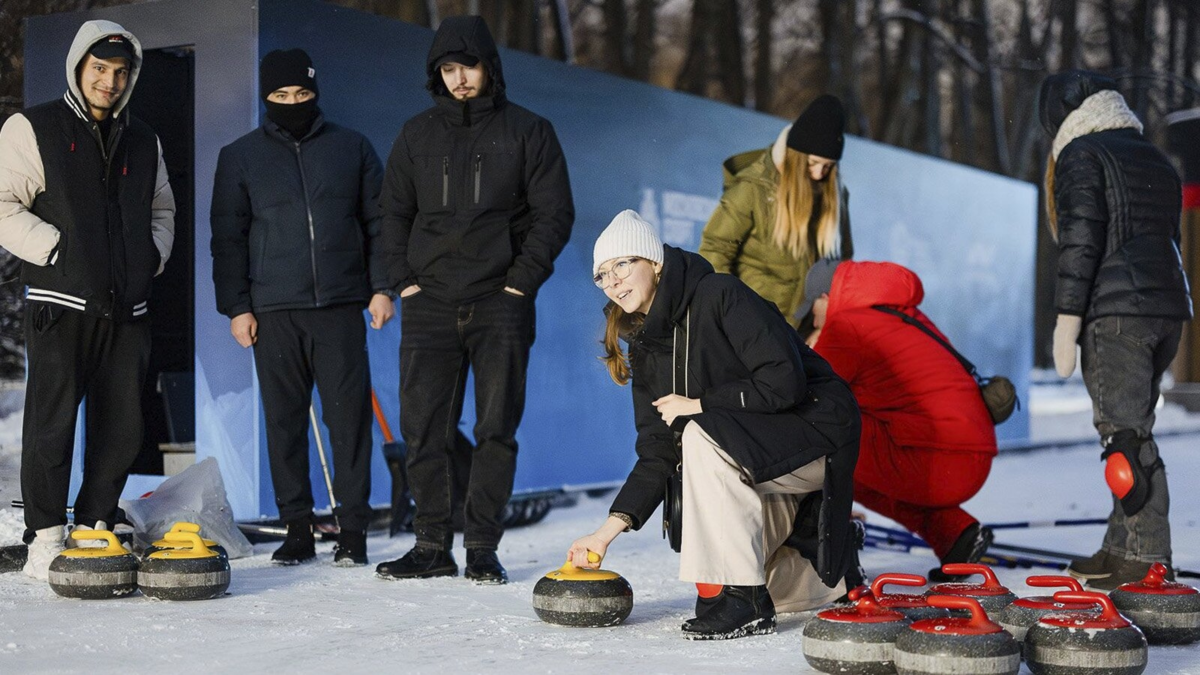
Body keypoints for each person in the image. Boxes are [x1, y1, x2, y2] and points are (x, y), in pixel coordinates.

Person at [568, 210, 860, 640]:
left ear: (655, 262)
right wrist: (605, 533)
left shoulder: (720, 294)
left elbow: (784, 380)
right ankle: (831, 577)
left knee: (699, 434)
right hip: (753, 452)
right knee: (721, 579)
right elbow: (658, 449)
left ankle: (747, 604)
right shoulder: (646, 348)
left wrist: (701, 404)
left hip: (816, 433)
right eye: (602, 275)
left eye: (622, 265)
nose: (612, 281)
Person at [376, 16, 573, 585]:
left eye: (469, 66)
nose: (460, 78)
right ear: (437, 74)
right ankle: (431, 545)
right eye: (448, 69)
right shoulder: (416, 134)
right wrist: (404, 282)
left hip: (500, 303)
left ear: (491, 67)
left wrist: (519, 285)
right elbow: (392, 214)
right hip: (430, 302)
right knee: (423, 430)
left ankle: (482, 547)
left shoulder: (529, 130)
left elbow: (554, 214)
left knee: (495, 430)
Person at [0, 20, 175, 579]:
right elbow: (3, 203)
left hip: (128, 307)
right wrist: (56, 250)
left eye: (120, 72)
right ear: (79, 66)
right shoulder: (34, 127)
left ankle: (95, 523)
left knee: (122, 427)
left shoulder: (144, 139)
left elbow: (162, 209)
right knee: (51, 424)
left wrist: (151, 258)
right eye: (100, 68)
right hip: (62, 302)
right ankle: (45, 535)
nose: (109, 81)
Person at [210, 49, 393, 567]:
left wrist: (383, 287)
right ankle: (297, 529)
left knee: (348, 422)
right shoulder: (240, 156)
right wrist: (237, 307)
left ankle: (352, 530)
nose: (293, 102)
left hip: (340, 305)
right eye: (281, 94)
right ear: (266, 97)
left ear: (316, 93)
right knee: (284, 423)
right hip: (272, 309)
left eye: (302, 93)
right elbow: (227, 238)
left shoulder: (352, 147)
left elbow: (381, 224)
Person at [1039, 71, 1192, 590]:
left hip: (1117, 315)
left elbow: (1080, 243)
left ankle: (1147, 555)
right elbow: (1167, 240)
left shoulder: (1082, 154)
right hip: (1167, 309)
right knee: (1131, 434)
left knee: (1124, 442)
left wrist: (1067, 322)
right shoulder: (1153, 157)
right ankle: (1121, 546)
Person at [799, 259, 997, 582]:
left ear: (826, 297)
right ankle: (954, 534)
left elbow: (811, 394)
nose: (815, 319)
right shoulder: (899, 313)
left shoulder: (846, 325)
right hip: (968, 454)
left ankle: (821, 555)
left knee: (826, 442)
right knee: (854, 471)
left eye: (813, 310)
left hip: (940, 460)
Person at [699, 94, 853, 328]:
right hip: (753, 324)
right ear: (796, 156)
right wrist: (732, 313)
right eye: (812, 163)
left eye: (828, 166)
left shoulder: (836, 195)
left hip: (803, 330)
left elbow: (842, 259)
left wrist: (827, 312)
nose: (819, 174)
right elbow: (715, 250)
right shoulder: (755, 188)